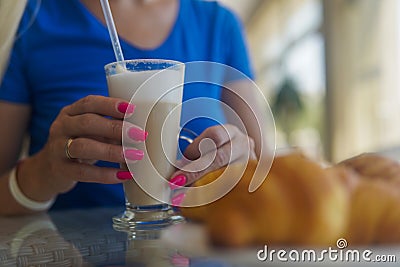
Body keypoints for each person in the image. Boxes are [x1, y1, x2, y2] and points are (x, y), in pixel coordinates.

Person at [0, 0, 265, 215]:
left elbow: (264, 167)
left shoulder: (218, 25)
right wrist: (44, 171)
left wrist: (242, 165)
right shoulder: (27, 20)